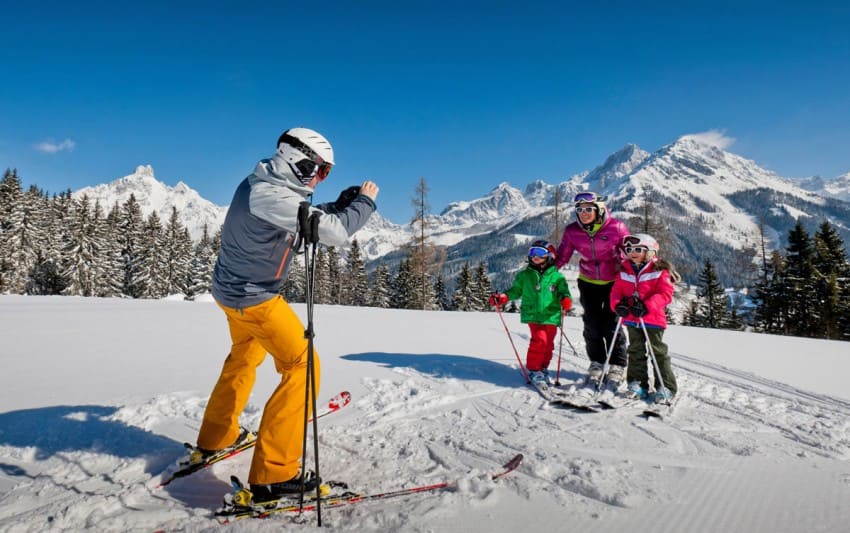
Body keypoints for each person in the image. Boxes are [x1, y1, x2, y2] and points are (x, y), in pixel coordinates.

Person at [194, 127, 379, 503]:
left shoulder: (263, 183)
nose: (320, 177)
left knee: (244, 356)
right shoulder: (267, 194)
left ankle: (218, 436)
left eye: (325, 172)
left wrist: (337, 203)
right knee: (302, 366)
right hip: (255, 299)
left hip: (233, 295)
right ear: (299, 162)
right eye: (321, 170)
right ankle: (274, 475)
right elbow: (332, 233)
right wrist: (363, 205)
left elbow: (301, 217)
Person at [555, 192, 630, 389]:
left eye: (589, 209)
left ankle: (617, 365)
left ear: (599, 209)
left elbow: (631, 253)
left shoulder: (617, 227)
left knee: (611, 324)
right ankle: (597, 362)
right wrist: (544, 273)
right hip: (588, 281)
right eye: (580, 210)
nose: (584, 213)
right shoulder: (572, 231)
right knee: (591, 323)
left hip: (614, 282)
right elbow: (562, 256)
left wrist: (652, 269)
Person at [489, 240, 573, 385]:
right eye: (532, 252)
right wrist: (503, 297)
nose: (535, 256)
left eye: (540, 253)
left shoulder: (557, 277)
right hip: (533, 315)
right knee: (540, 341)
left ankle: (543, 367)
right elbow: (515, 291)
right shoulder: (524, 276)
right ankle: (534, 370)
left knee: (549, 345)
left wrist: (566, 299)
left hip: (551, 315)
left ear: (550, 256)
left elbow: (564, 292)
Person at [609, 233, 679, 403]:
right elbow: (616, 292)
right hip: (632, 319)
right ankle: (637, 383)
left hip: (653, 319)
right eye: (629, 249)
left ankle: (666, 386)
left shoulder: (659, 271)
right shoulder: (624, 270)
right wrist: (618, 305)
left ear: (650, 252)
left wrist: (647, 306)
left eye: (638, 249)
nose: (633, 252)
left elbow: (665, 294)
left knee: (658, 352)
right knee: (635, 351)